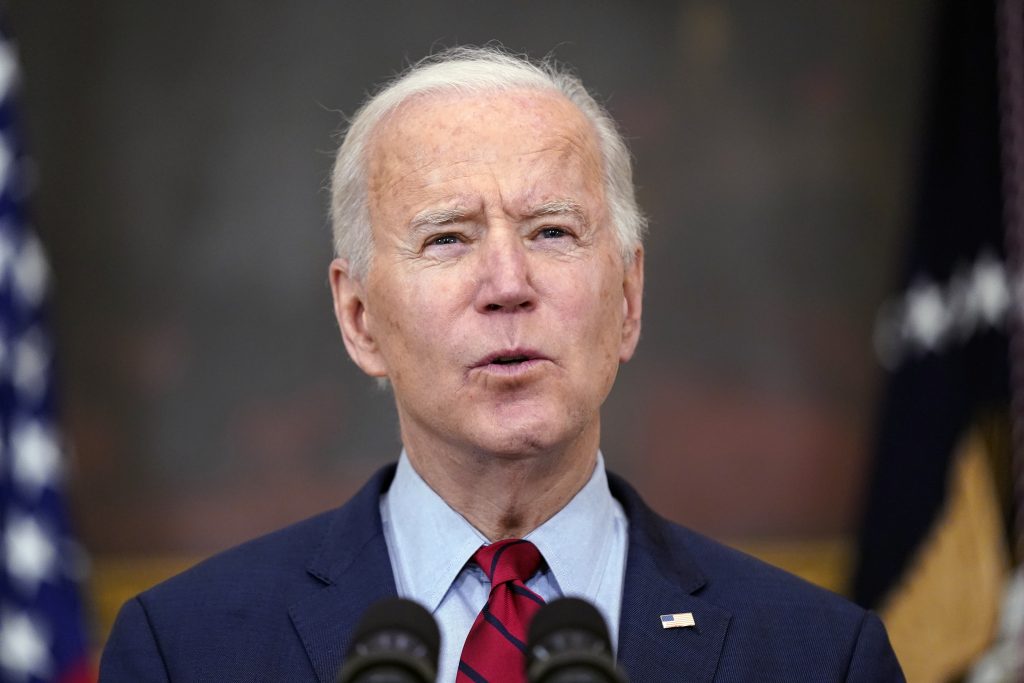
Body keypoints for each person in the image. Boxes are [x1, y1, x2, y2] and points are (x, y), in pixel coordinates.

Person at [99, 47, 904, 682]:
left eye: (552, 231)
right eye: (448, 237)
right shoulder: (188, 649)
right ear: (358, 318)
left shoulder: (818, 656)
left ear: (627, 297)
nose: (508, 285)